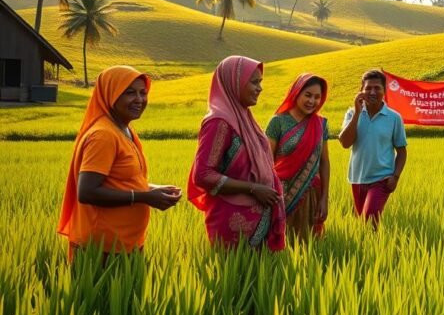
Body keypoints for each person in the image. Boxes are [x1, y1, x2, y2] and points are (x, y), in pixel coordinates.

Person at [57, 66, 181, 261]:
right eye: (130, 93)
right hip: (102, 249)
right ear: (110, 94)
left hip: (123, 244)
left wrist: (152, 190)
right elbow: (87, 192)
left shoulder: (123, 129)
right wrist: (144, 197)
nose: (139, 99)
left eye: (143, 92)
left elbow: (119, 181)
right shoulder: (103, 136)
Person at [188, 56, 286, 250]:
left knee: (262, 278)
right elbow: (203, 175)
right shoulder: (219, 123)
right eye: (254, 82)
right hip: (233, 222)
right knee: (237, 277)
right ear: (235, 82)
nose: (260, 88)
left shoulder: (244, 118)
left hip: (260, 214)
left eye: (260, 82)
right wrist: (253, 188)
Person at [339, 69, 407, 227]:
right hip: (357, 179)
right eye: (368, 88)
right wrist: (357, 112)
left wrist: (395, 177)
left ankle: (378, 249)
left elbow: (402, 152)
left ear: (385, 91)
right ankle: (367, 251)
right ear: (361, 91)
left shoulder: (394, 118)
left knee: (369, 221)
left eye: (377, 88)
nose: (372, 92)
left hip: (381, 180)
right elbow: (345, 143)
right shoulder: (351, 114)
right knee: (363, 225)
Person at [266, 74, 331, 239]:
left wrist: (324, 198)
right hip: (282, 194)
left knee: (309, 245)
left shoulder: (321, 124)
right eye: (308, 95)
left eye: (317, 97)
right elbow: (267, 162)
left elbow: (324, 162)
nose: (312, 101)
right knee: (280, 243)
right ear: (296, 93)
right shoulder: (278, 122)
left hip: (311, 194)